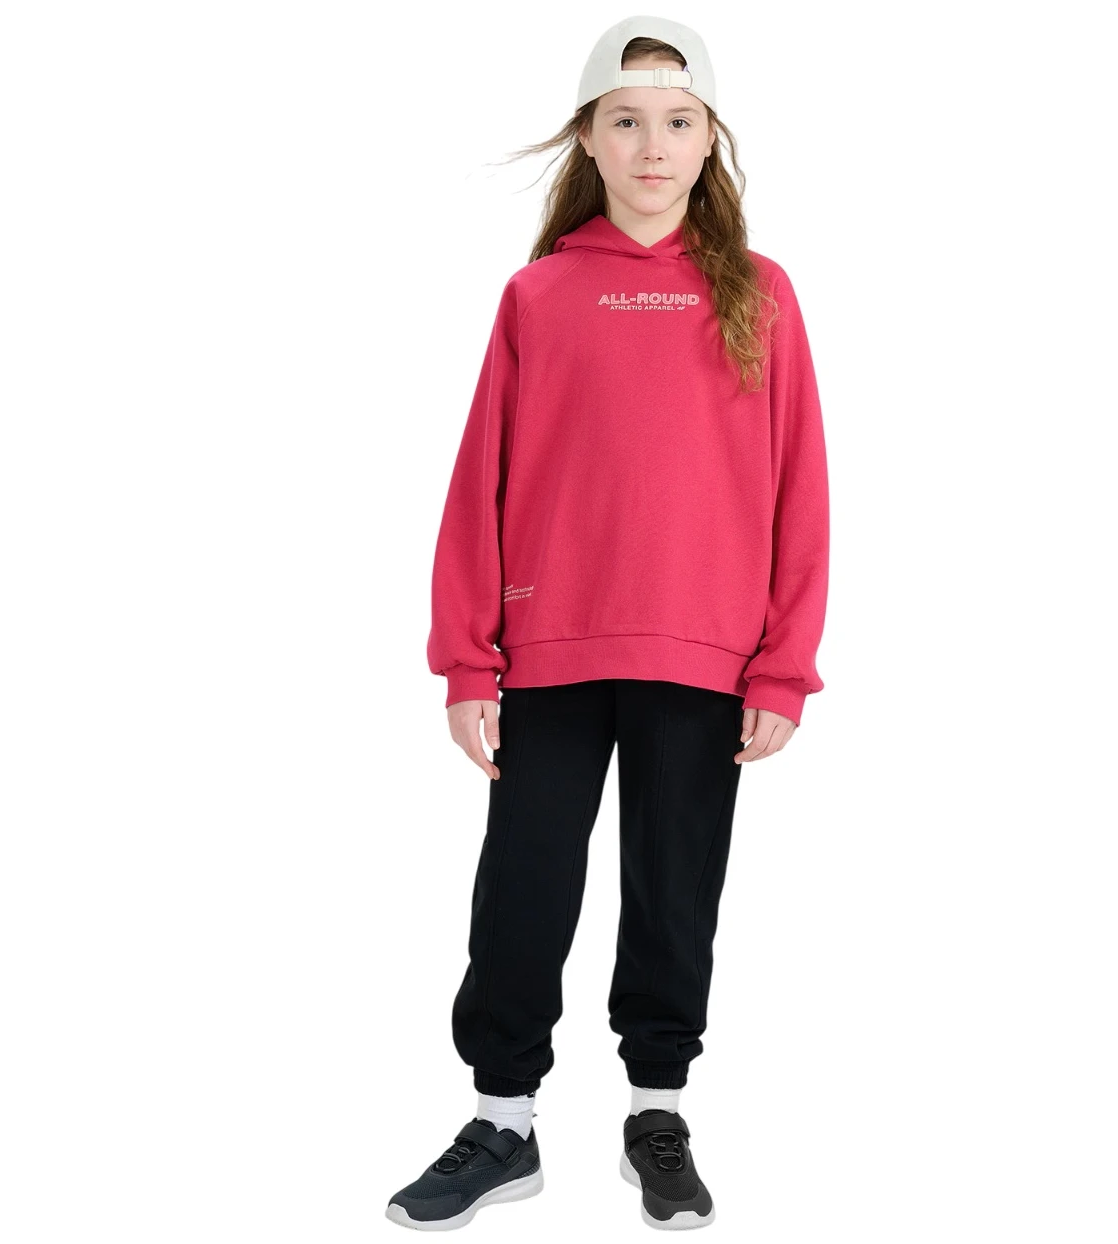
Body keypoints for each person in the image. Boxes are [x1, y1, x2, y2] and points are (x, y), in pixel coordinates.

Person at [386, 14, 830, 1232]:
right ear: (588, 137)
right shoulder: (537, 295)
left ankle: (655, 1111)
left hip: (704, 652)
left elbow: (799, 485)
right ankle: (503, 1121)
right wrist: (464, 659)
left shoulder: (760, 294)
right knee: (524, 883)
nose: (650, 146)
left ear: (708, 140)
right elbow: (480, 482)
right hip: (549, 650)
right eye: (625, 122)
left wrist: (782, 666)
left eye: (676, 123)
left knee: (674, 888)